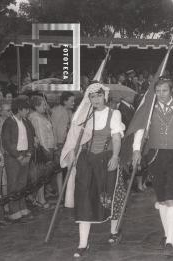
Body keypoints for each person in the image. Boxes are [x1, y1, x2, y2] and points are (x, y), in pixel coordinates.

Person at [131, 79, 173, 257]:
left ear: (172, 91)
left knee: (171, 196)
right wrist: (136, 150)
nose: (161, 94)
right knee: (161, 198)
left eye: (164, 90)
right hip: (155, 155)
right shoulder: (149, 108)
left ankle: (170, 240)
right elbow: (140, 130)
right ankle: (167, 234)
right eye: (158, 90)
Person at [60, 83, 126, 258]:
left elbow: (116, 138)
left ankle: (113, 231)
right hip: (86, 161)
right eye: (92, 96)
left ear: (104, 96)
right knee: (83, 197)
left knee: (109, 195)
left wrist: (115, 156)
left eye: (98, 96)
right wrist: (72, 155)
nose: (95, 99)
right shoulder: (83, 115)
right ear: (88, 98)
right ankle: (83, 243)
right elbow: (74, 140)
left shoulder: (114, 113)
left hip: (106, 159)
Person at [1, 96, 35, 221]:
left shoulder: (26, 122)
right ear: (19, 109)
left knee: (22, 184)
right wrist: (19, 156)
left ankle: (22, 207)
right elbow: (6, 142)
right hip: (13, 157)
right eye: (26, 109)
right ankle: (13, 211)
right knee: (13, 184)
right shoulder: (9, 122)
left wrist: (29, 154)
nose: (27, 111)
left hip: (25, 155)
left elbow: (31, 139)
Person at [28, 95, 56, 209]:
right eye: (43, 104)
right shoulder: (36, 117)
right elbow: (41, 135)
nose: (46, 106)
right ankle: (40, 199)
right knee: (40, 175)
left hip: (48, 148)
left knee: (44, 175)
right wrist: (46, 150)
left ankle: (39, 197)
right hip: (43, 150)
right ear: (36, 106)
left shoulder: (42, 116)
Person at [51, 92, 75, 201]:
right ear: (65, 101)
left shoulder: (69, 111)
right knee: (59, 170)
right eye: (71, 101)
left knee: (67, 168)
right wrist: (55, 144)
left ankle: (67, 193)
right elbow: (53, 128)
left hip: (68, 143)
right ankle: (60, 194)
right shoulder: (57, 111)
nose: (73, 103)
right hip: (59, 144)